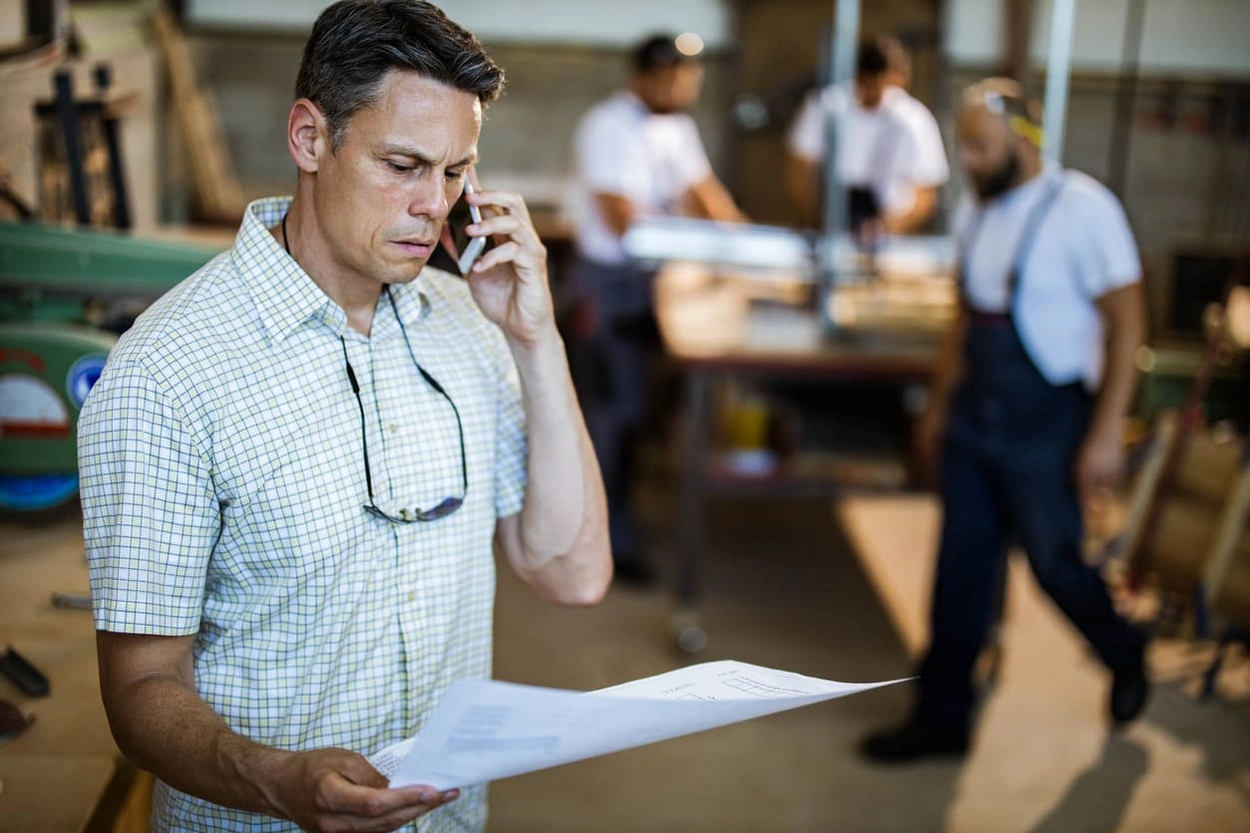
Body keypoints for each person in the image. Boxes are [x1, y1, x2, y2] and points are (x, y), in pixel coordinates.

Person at [77, 2, 612, 830]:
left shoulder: (467, 321)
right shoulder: (169, 374)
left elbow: (571, 573)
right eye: (403, 164)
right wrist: (277, 779)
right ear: (310, 139)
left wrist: (535, 341)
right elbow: (142, 687)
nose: (435, 206)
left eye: (456, 171)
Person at [859, 78, 1151, 763]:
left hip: (1046, 422)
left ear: (1024, 140)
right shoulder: (979, 213)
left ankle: (1123, 645)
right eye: (964, 147)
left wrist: (1106, 432)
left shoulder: (1082, 209)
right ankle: (942, 716)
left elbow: (1129, 323)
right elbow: (966, 318)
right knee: (961, 569)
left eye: (982, 146)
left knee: (1055, 564)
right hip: (974, 419)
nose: (970, 160)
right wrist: (937, 406)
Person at [569, 33, 745, 585]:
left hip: (650, 284)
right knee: (610, 420)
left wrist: (747, 245)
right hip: (608, 286)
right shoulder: (609, 126)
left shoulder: (676, 126)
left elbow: (704, 190)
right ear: (641, 76)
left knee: (640, 411)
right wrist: (702, 243)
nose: (682, 86)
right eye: (671, 77)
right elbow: (625, 221)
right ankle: (601, 546)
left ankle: (622, 526)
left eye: (689, 77)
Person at [786, 34, 948, 236]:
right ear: (859, 77)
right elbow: (800, 168)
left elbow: (926, 192)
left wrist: (887, 227)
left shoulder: (914, 120)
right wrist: (814, 216)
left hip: (886, 225)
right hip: (830, 214)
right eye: (870, 85)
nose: (879, 94)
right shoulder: (827, 107)